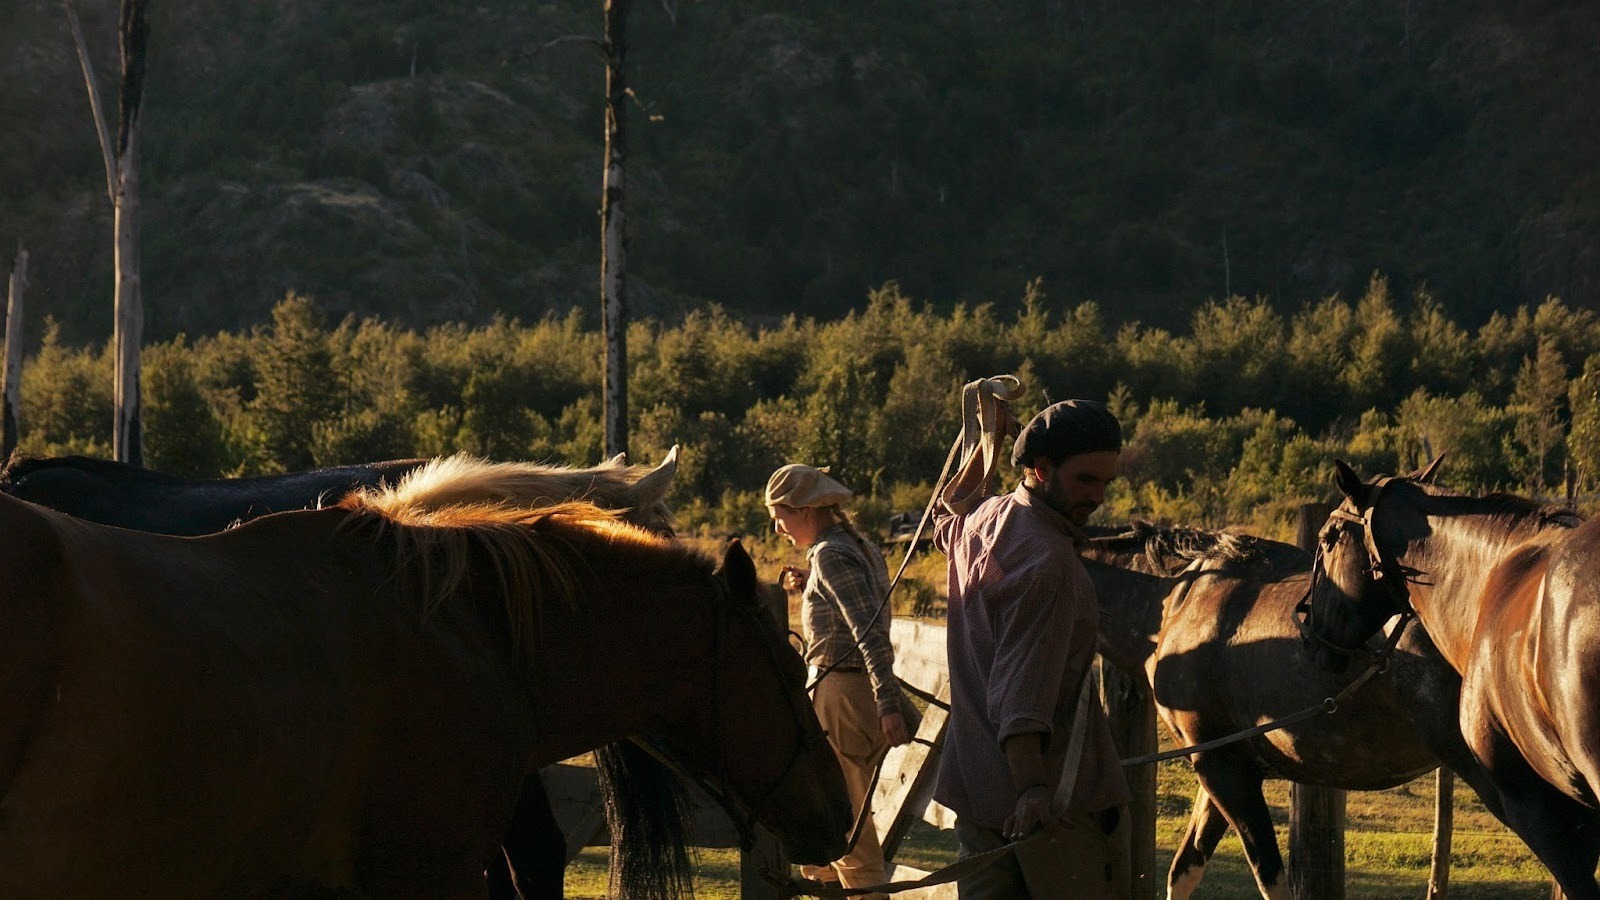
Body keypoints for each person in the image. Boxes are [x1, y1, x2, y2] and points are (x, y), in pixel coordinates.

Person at [932, 398, 1133, 899]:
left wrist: (986, 441)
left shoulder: (983, 522)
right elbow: (1021, 697)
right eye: (1086, 480)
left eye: (1106, 482)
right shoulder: (1050, 566)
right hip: (1047, 805)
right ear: (1041, 469)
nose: (1099, 497)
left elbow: (943, 520)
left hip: (979, 791)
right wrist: (1033, 790)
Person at [766, 463, 913, 899]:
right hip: (849, 692)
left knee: (847, 828)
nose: (777, 527)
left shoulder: (832, 554)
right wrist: (811, 584)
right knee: (835, 822)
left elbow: (867, 628)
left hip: (843, 697)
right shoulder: (855, 547)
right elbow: (856, 608)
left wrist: (888, 702)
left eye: (780, 515)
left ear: (805, 509)